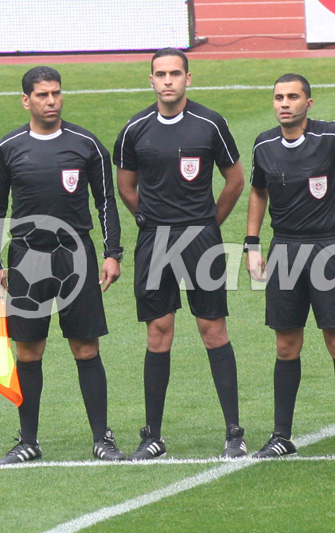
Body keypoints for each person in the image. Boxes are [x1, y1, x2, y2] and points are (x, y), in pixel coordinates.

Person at [0, 66, 126, 463]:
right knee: (28, 350)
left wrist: (112, 252)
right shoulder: (8, 148)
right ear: (26, 100)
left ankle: (102, 438)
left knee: (85, 347)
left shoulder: (86, 144)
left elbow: (105, 203)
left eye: (57, 94)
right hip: (27, 258)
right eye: (43, 95)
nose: (51, 101)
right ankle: (28, 441)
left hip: (75, 256)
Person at [113, 48, 247, 459]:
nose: (167, 80)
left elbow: (235, 180)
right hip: (154, 241)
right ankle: (152, 435)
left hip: (201, 241)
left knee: (213, 330)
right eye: (160, 74)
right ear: (150, 80)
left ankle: (234, 433)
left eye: (175, 73)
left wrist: (209, 225)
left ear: (189, 78)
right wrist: (149, 220)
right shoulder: (135, 128)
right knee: (158, 333)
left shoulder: (210, 124)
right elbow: (125, 186)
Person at [246, 73, 335, 458]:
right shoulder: (264, 145)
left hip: (326, 248)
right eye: (278, 97)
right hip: (285, 249)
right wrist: (252, 244)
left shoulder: (331, 137)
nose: (284, 103)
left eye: (292, 97)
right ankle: (281, 436)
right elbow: (258, 191)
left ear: (309, 103)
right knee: (286, 345)